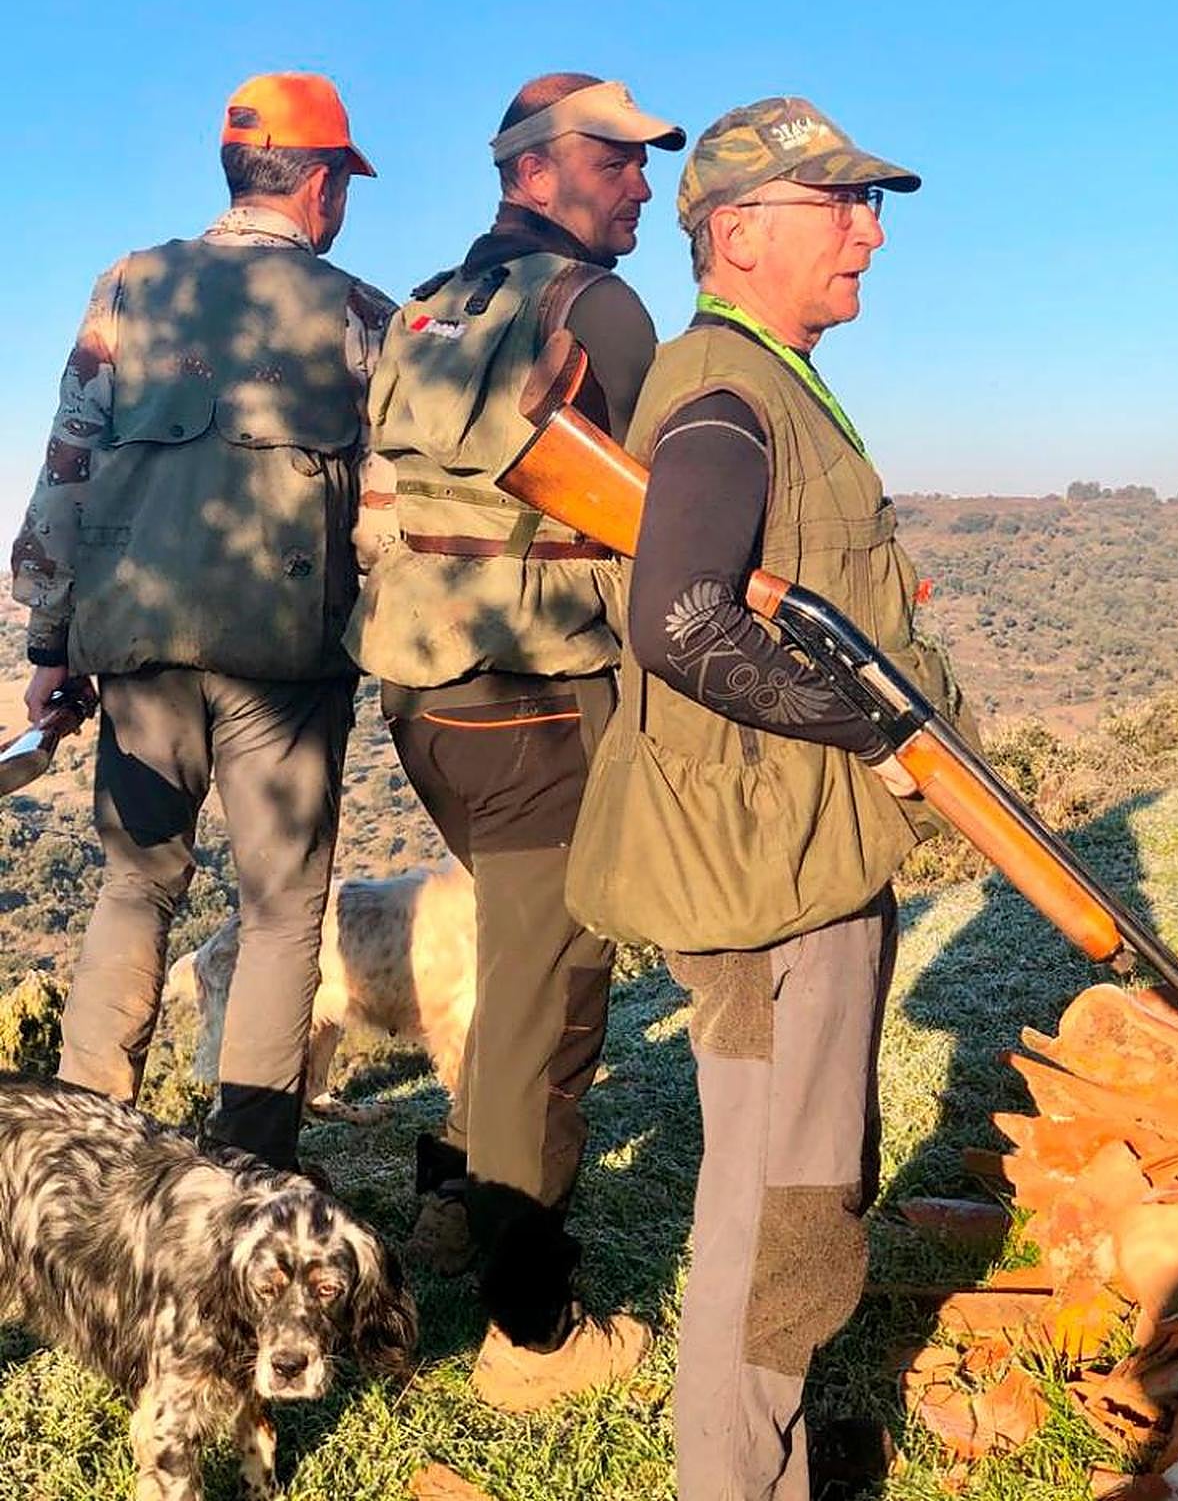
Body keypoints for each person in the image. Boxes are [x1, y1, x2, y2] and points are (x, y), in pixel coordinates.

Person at [593, 96, 972, 1498]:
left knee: (792, 1198)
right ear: (738, 232)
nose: (869, 230)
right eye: (840, 205)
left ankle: (780, 1461)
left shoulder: (761, 379)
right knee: (777, 1216)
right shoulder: (725, 395)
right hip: (774, 884)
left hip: (792, 859)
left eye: (871, 205)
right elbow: (683, 618)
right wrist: (870, 731)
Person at [344, 72, 685, 1408]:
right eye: (617, 162)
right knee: (549, 1005)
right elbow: (674, 509)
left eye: (647, 165)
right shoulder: (594, 307)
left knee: (508, 969)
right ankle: (529, 1332)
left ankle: (450, 1203)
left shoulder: (434, 298)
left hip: (422, 694)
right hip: (537, 690)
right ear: (535, 172)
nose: (642, 186)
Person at [10, 72, 396, 1171]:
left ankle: (81, 1166)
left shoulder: (131, 288)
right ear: (318, 183)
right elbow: (388, 516)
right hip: (286, 661)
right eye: (343, 183)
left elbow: (67, 471)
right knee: (281, 913)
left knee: (133, 888)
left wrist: (51, 643)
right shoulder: (362, 316)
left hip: (135, 649)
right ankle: (247, 1176)